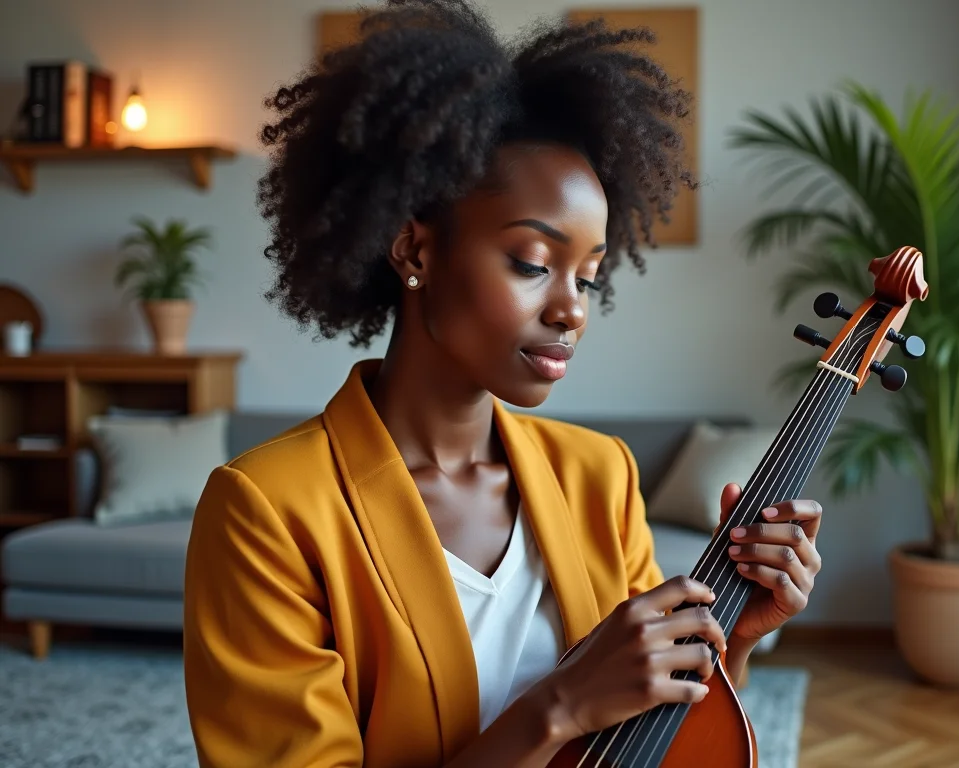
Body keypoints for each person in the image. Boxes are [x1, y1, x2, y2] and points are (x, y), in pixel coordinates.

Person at [182, 1, 824, 766]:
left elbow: (652, 737)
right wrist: (557, 706)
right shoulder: (268, 511)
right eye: (531, 262)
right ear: (414, 249)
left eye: (588, 278)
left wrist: (732, 645)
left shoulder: (599, 475)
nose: (570, 310)